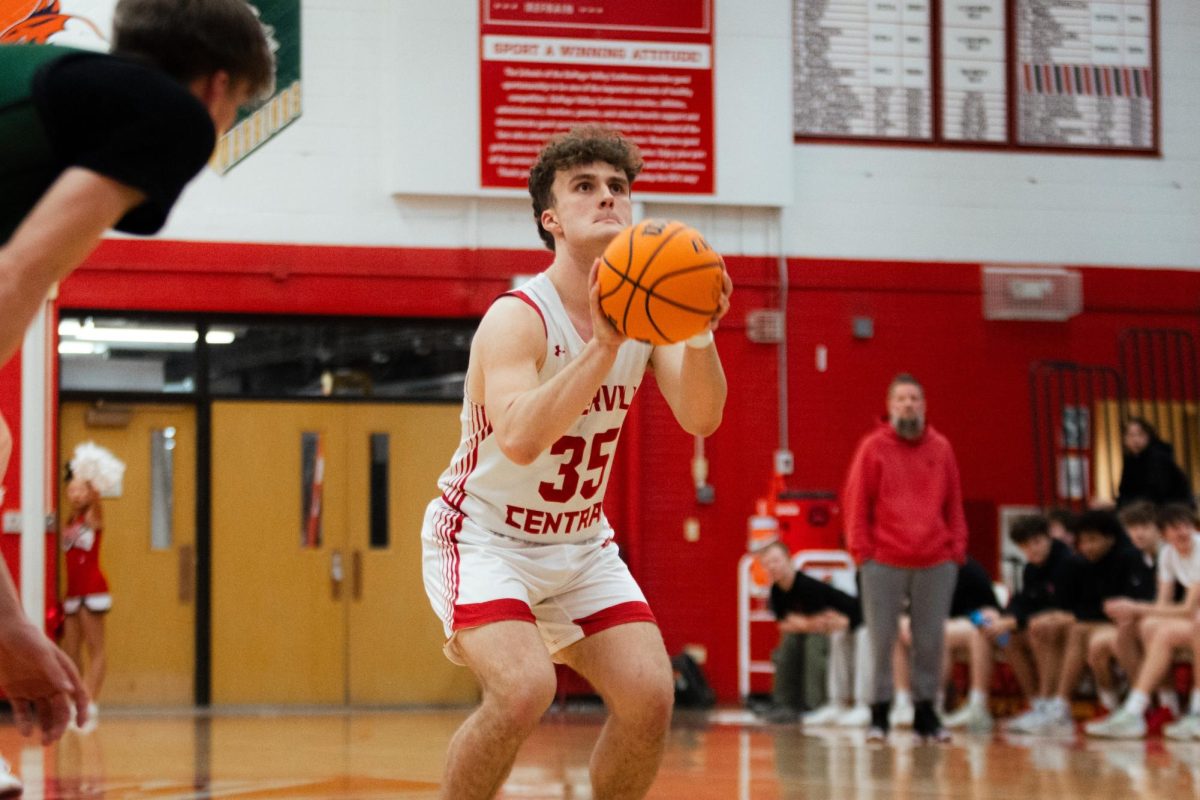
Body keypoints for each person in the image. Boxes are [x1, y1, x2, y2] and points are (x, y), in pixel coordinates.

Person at [0, 0, 274, 775]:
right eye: (238, 111)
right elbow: (21, 270)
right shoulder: (170, 114)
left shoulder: (45, 84)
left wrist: (12, 625)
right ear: (217, 88)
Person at [419, 125, 731, 800]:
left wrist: (700, 331)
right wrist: (600, 350)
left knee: (651, 696)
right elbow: (523, 440)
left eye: (619, 187)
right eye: (585, 187)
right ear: (550, 218)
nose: (608, 199)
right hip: (483, 539)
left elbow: (702, 416)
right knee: (525, 689)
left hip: (578, 544)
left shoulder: (653, 316)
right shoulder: (517, 317)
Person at [842, 373, 968, 743]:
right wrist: (861, 551)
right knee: (882, 639)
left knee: (929, 641)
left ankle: (926, 714)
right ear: (890, 405)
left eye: (914, 399)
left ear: (924, 405)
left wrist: (956, 549)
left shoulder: (941, 447)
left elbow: (954, 502)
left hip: (935, 558)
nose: (908, 405)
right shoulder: (873, 447)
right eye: (901, 399)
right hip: (883, 557)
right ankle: (878, 714)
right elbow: (856, 502)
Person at [1014, 510, 1154, 735]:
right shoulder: (1078, 563)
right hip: (1094, 622)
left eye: (1092, 540)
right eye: (1083, 541)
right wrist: (1016, 619)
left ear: (1109, 537)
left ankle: (1060, 705)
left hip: (1122, 623)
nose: (1087, 546)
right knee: (1024, 634)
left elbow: (1106, 606)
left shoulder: (1122, 558)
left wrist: (1067, 617)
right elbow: (1034, 603)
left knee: (1073, 631)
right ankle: (1043, 703)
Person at [1086, 503, 1200, 739]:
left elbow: (1188, 609)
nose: (1181, 532)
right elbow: (1162, 604)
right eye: (1174, 528)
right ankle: (1139, 710)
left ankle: (1193, 712)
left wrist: (1135, 608)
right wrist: (1133, 613)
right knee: (1152, 627)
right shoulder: (1169, 554)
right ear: (1164, 534)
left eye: (1186, 526)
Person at [979, 514, 1083, 734]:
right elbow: (1024, 601)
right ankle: (1036, 704)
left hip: (1072, 623)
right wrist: (1005, 619)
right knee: (1006, 638)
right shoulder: (1031, 569)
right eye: (1025, 546)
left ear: (1048, 537)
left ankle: (1051, 705)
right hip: (1042, 624)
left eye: (1036, 542)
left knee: (1039, 628)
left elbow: (1059, 606)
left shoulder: (1068, 562)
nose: (1032, 549)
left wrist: (1017, 620)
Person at [755, 540, 871, 726]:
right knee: (789, 641)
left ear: (789, 560)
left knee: (815, 641)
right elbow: (785, 624)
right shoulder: (776, 591)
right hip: (834, 628)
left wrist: (802, 623)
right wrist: (806, 624)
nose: (772, 567)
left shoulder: (808, 586)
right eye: (767, 563)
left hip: (857, 621)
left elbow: (826, 620)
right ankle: (784, 703)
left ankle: (815, 704)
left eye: (775, 561)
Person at [60, 442, 125, 732]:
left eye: (81, 490)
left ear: (91, 492)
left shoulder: (93, 516)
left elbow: (96, 499)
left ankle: (90, 701)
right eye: (71, 490)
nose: (75, 495)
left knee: (95, 648)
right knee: (71, 650)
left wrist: (94, 477)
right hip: (73, 591)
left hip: (93, 588)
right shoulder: (69, 520)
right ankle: (76, 701)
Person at [1087, 501, 1164, 712]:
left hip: (1163, 620)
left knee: (1129, 631)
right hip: (1141, 620)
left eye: (1144, 526)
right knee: (1097, 646)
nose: (1138, 533)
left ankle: (1149, 704)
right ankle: (1110, 706)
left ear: (1158, 528)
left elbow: (1169, 604)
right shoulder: (1130, 558)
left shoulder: (1168, 555)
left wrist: (1133, 609)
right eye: (1132, 528)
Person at [1116, 417, 1193, 509]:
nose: (1135, 439)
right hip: (1145, 508)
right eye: (1131, 435)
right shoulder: (1131, 459)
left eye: (1140, 434)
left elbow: (1156, 493)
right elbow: (1125, 490)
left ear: (1149, 436)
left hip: (1171, 509)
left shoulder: (1158, 457)